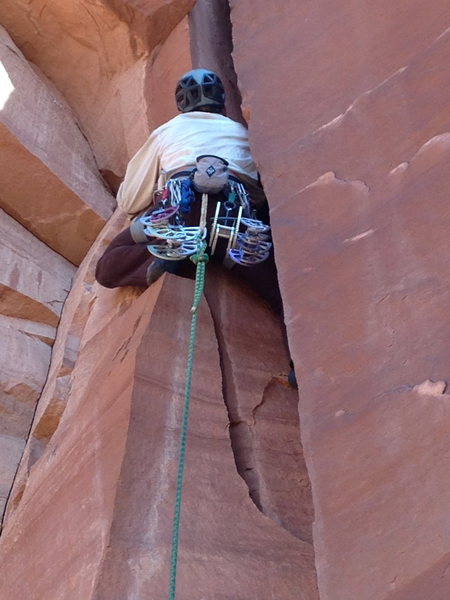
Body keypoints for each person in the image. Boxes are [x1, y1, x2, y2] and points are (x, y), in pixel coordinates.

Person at [95, 69, 296, 386]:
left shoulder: (166, 132)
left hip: (179, 212)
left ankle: (163, 258)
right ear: (222, 103)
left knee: (107, 266)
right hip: (233, 224)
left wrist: (147, 214)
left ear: (181, 104)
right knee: (282, 298)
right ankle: (299, 364)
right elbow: (258, 194)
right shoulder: (241, 134)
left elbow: (131, 200)